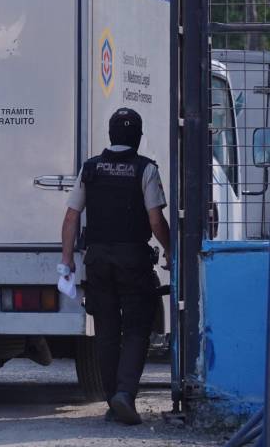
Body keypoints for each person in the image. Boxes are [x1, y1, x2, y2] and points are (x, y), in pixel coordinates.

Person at [59, 107, 170, 425]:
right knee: (136, 329)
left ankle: (113, 401)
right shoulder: (146, 169)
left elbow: (71, 217)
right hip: (133, 260)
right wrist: (170, 250)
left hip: (97, 261)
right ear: (138, 137)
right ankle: (124, 394)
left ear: (110, 135)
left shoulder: (90, 168)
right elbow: (155, 220)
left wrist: (67, 260)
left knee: (106, 331)